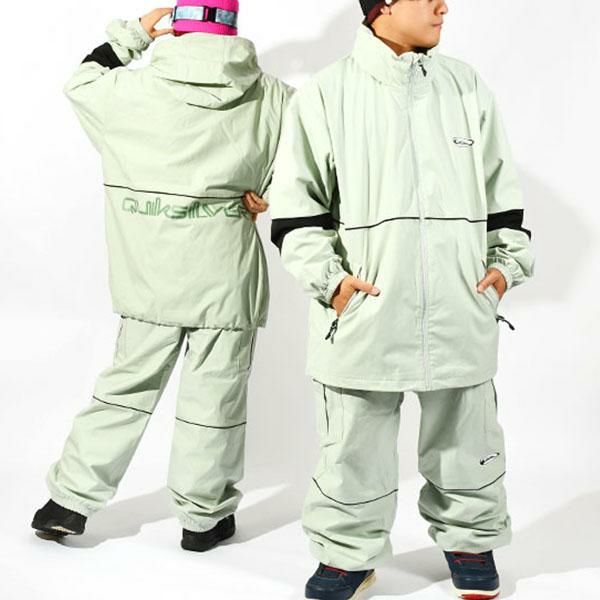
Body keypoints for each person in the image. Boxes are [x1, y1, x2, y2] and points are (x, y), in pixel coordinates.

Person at [268, 0, 534, 598]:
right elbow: (295, 209)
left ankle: (471, 539)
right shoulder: (327, 93)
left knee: (468, 438)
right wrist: (332, 283)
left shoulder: (465, 85)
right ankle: (346, 554)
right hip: (365, 310)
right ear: (383, 4)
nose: (444, 6)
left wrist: (502, 266)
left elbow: (502, 192)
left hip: (459, 303)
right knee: (352, 447)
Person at [31, 1, 293, 552]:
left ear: (176, 23)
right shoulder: (274, 98)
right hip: (226, 274)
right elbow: (303, 168)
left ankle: (68, 501)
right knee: (214, 400)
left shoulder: (127, 91)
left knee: (126, 388)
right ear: (233, 24)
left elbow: (80, 82)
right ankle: (202, 520)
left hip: (148, 273)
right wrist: (266, 194)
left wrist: (134, 34)